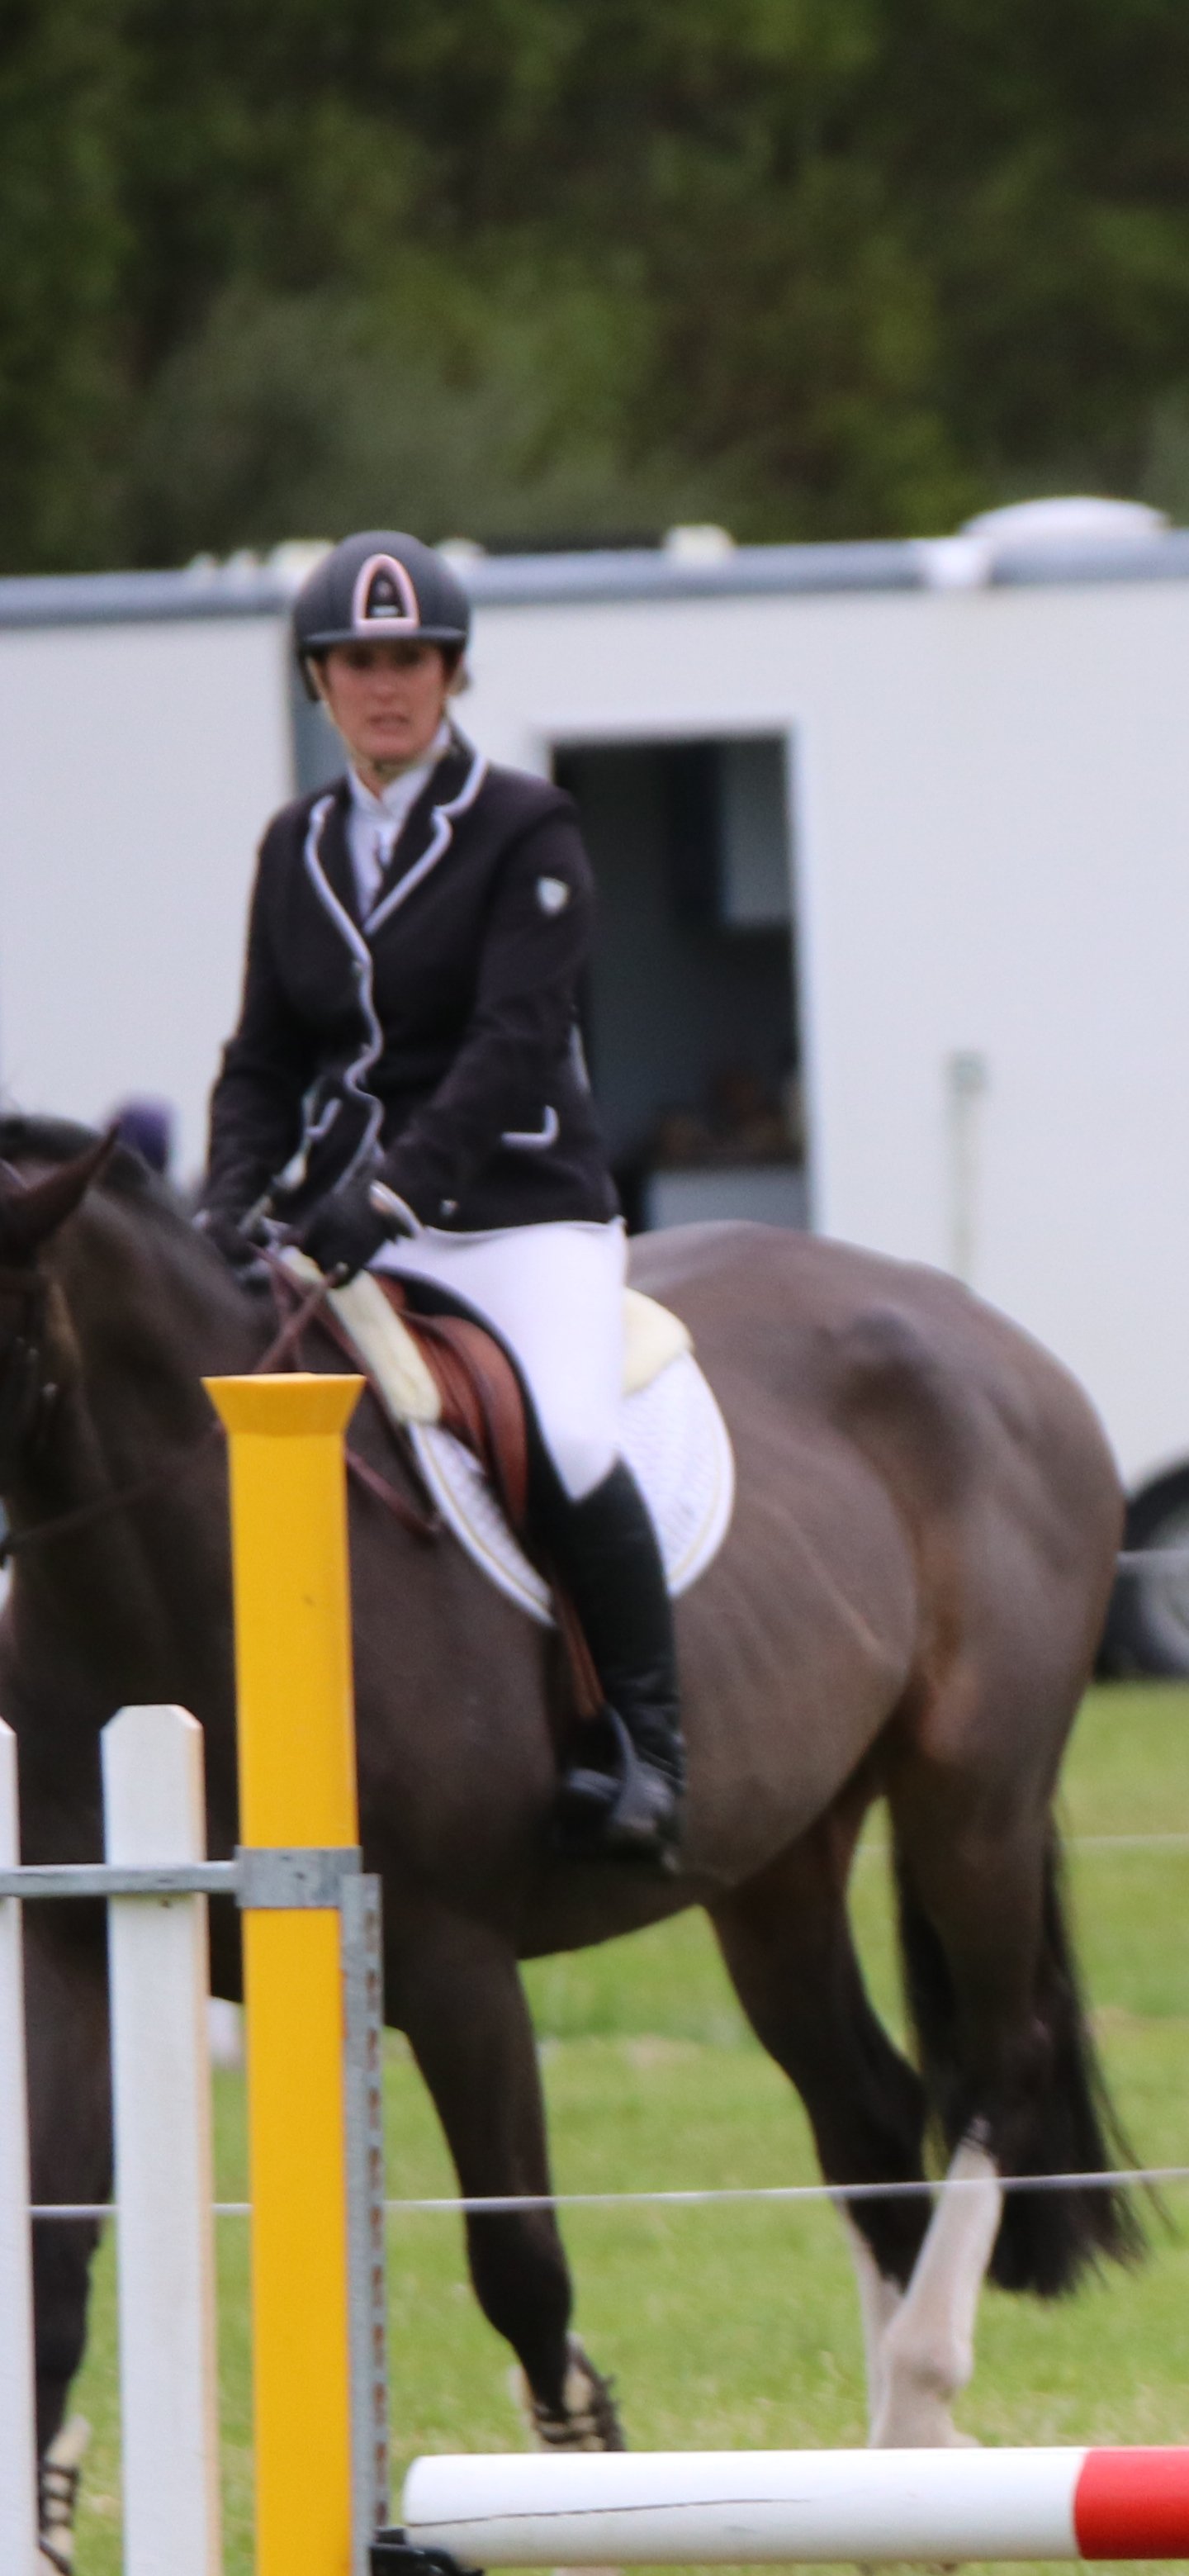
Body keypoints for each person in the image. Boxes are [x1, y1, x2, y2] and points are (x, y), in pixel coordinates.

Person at [201, 531, 682, 1863]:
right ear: (323, 683)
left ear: (451, 672)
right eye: (358, 662)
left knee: (570, 1435)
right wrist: (227, 1202)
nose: (386, 685)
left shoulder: (528, 825)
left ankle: (650, 1741)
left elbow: (516, 1039)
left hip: (516, 1214)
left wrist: (397, 1193)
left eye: (409, 659)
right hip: (342, 1215)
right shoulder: (295, 843)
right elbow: (265, 1059)